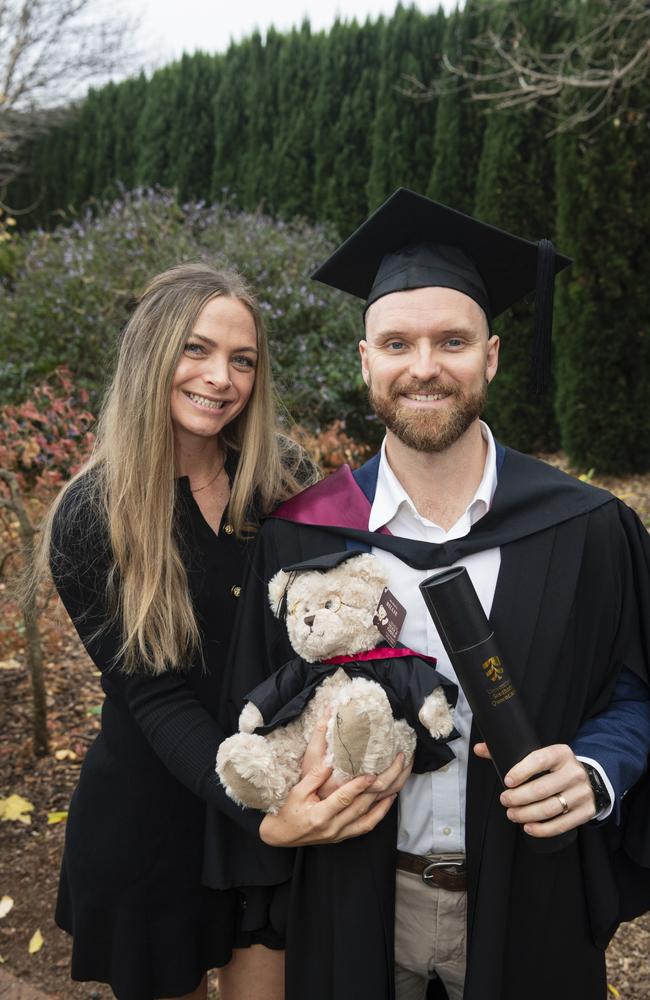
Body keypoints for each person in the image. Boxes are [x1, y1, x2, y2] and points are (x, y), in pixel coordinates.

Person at [217, 190, 650, 1000]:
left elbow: (636, 692)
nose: (424, 366)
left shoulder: (587, 527)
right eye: (397, 343)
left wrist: (597, 771)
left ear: (489, 356)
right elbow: (256, 713)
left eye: (452, 341)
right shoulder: (303, 537)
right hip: (350, 892)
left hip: (530, 895)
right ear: (365, 361)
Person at [38, 262, 398, 1000]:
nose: (221, 378)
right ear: (151, 353)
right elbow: (156, 699)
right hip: (157, 816)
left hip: (276, 808)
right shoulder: (92, 516)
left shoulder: (281, 480)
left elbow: (345, 621)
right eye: (196, 350)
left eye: (242, 360)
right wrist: (265, 812)